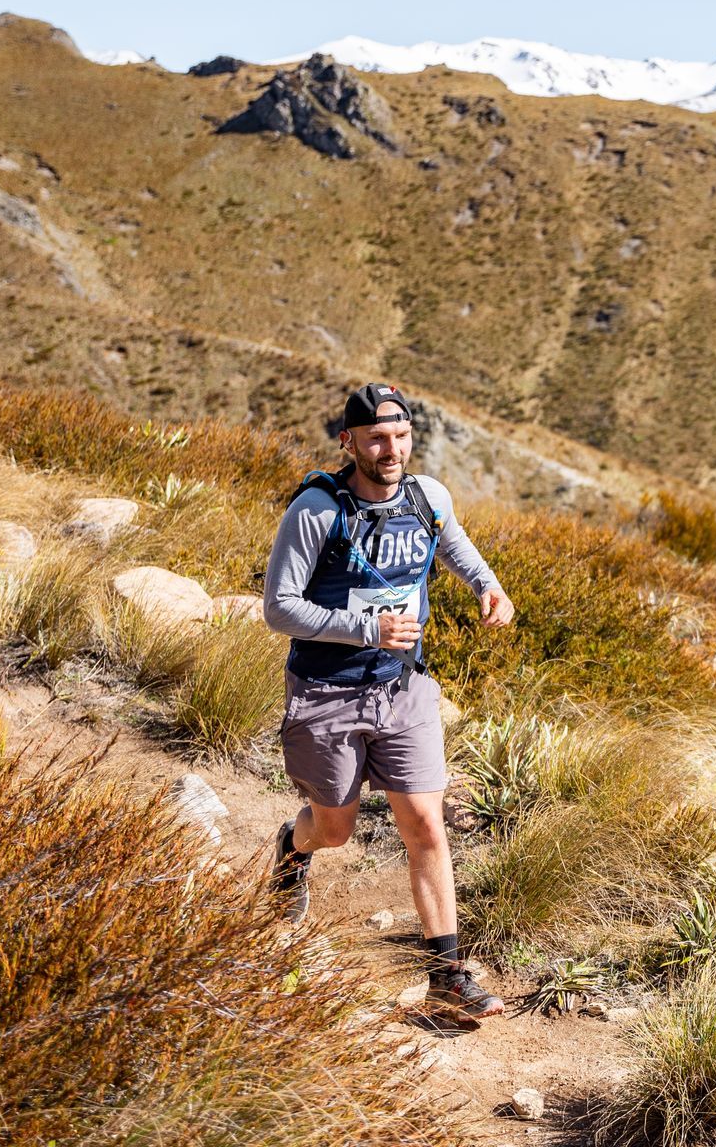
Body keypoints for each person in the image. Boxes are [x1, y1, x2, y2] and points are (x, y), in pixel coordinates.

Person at [262, 382, 515, 1022]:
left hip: (404, 687)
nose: (391, 449)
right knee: (335, 829)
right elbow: (279, 607)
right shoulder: (317, 511)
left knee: (426, 823)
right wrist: (364, 629)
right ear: (347, 441)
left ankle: (447, 975)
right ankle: (292, 849)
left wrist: (486, 585)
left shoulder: (428, 498)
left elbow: (450, 541)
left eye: (401, 436)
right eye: (376, 437)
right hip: (327, 692)